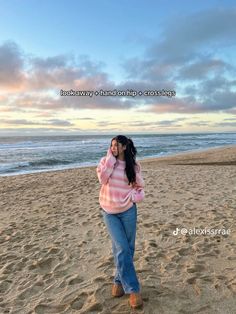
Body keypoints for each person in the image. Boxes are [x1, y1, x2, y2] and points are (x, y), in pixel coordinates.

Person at [96, 135, 145, 309]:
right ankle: (133, 289)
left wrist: (135, 196)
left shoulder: (133, 166)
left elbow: (140, 187)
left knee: (127, 248)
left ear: (124, 147)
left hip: (128, 211)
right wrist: (110, 159)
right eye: (111, 145)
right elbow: (102, 179)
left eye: (116, 145)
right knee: (122, 248)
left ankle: (117, 281)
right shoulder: (105, 162)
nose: (113, 147)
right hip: (109, 212)